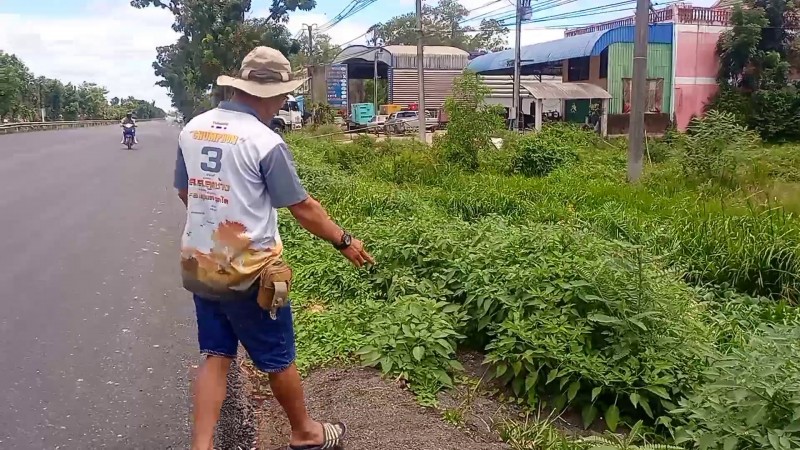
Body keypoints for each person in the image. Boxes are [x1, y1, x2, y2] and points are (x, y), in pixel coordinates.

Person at [173, 46, 374, 450]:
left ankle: (202, 446)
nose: (283, 101)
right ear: (271, 95)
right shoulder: (263, 141)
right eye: (283, 94)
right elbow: (303, 207)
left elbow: (184, 192)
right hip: (248, 272)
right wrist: (345, 241)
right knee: (277, 355)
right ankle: (305, 433)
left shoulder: (192, 129)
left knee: (215, 354)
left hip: (201, 263)